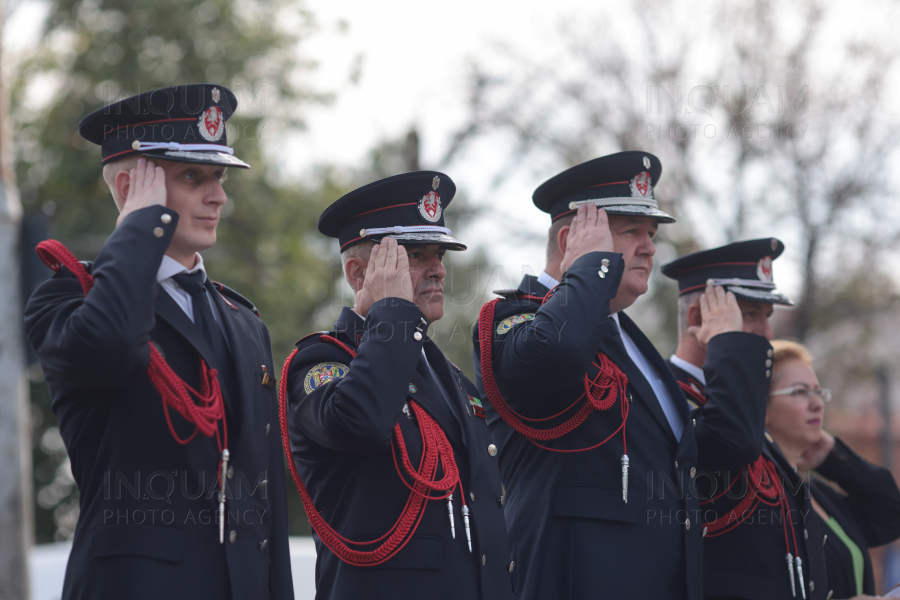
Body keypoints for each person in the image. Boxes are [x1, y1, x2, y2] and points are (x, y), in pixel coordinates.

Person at [24, 85, 293, 600]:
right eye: (193, 177)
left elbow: (266, 499)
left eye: (218, 177)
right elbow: (112, 345)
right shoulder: (67, 298)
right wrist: (138, 230)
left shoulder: (243, 319)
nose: (218, 195)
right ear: (130, 189)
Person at [472, 151, 773, 600]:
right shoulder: (514, 318)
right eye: (631, 231)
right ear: (572, 238)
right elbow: (557, 356)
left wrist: (731, 347)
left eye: (651, 233)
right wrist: (589, 271)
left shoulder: (629, 339)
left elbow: (731, 445)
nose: (650, 247)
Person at [281, 172, 512, 600]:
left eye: (439, 254)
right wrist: (392, 312)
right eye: (415, 255)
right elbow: (361, 422)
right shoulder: (321, 364)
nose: (439, 269)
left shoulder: (451, 378)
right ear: (357, 274)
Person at [662, 240, 828, 600]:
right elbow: (732, 442)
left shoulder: (736, 403)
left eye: (768, 317)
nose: (768, 335)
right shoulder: (666, 397)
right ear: (697, 319)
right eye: (750, 315)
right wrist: (727, 342)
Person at [768, 340, 900, 600]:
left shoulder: (816, 492)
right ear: (760, 408)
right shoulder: (759, 496)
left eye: (818, 392)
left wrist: (834, 457)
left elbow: (891, 514)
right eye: (799, 392)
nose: (817, 403)